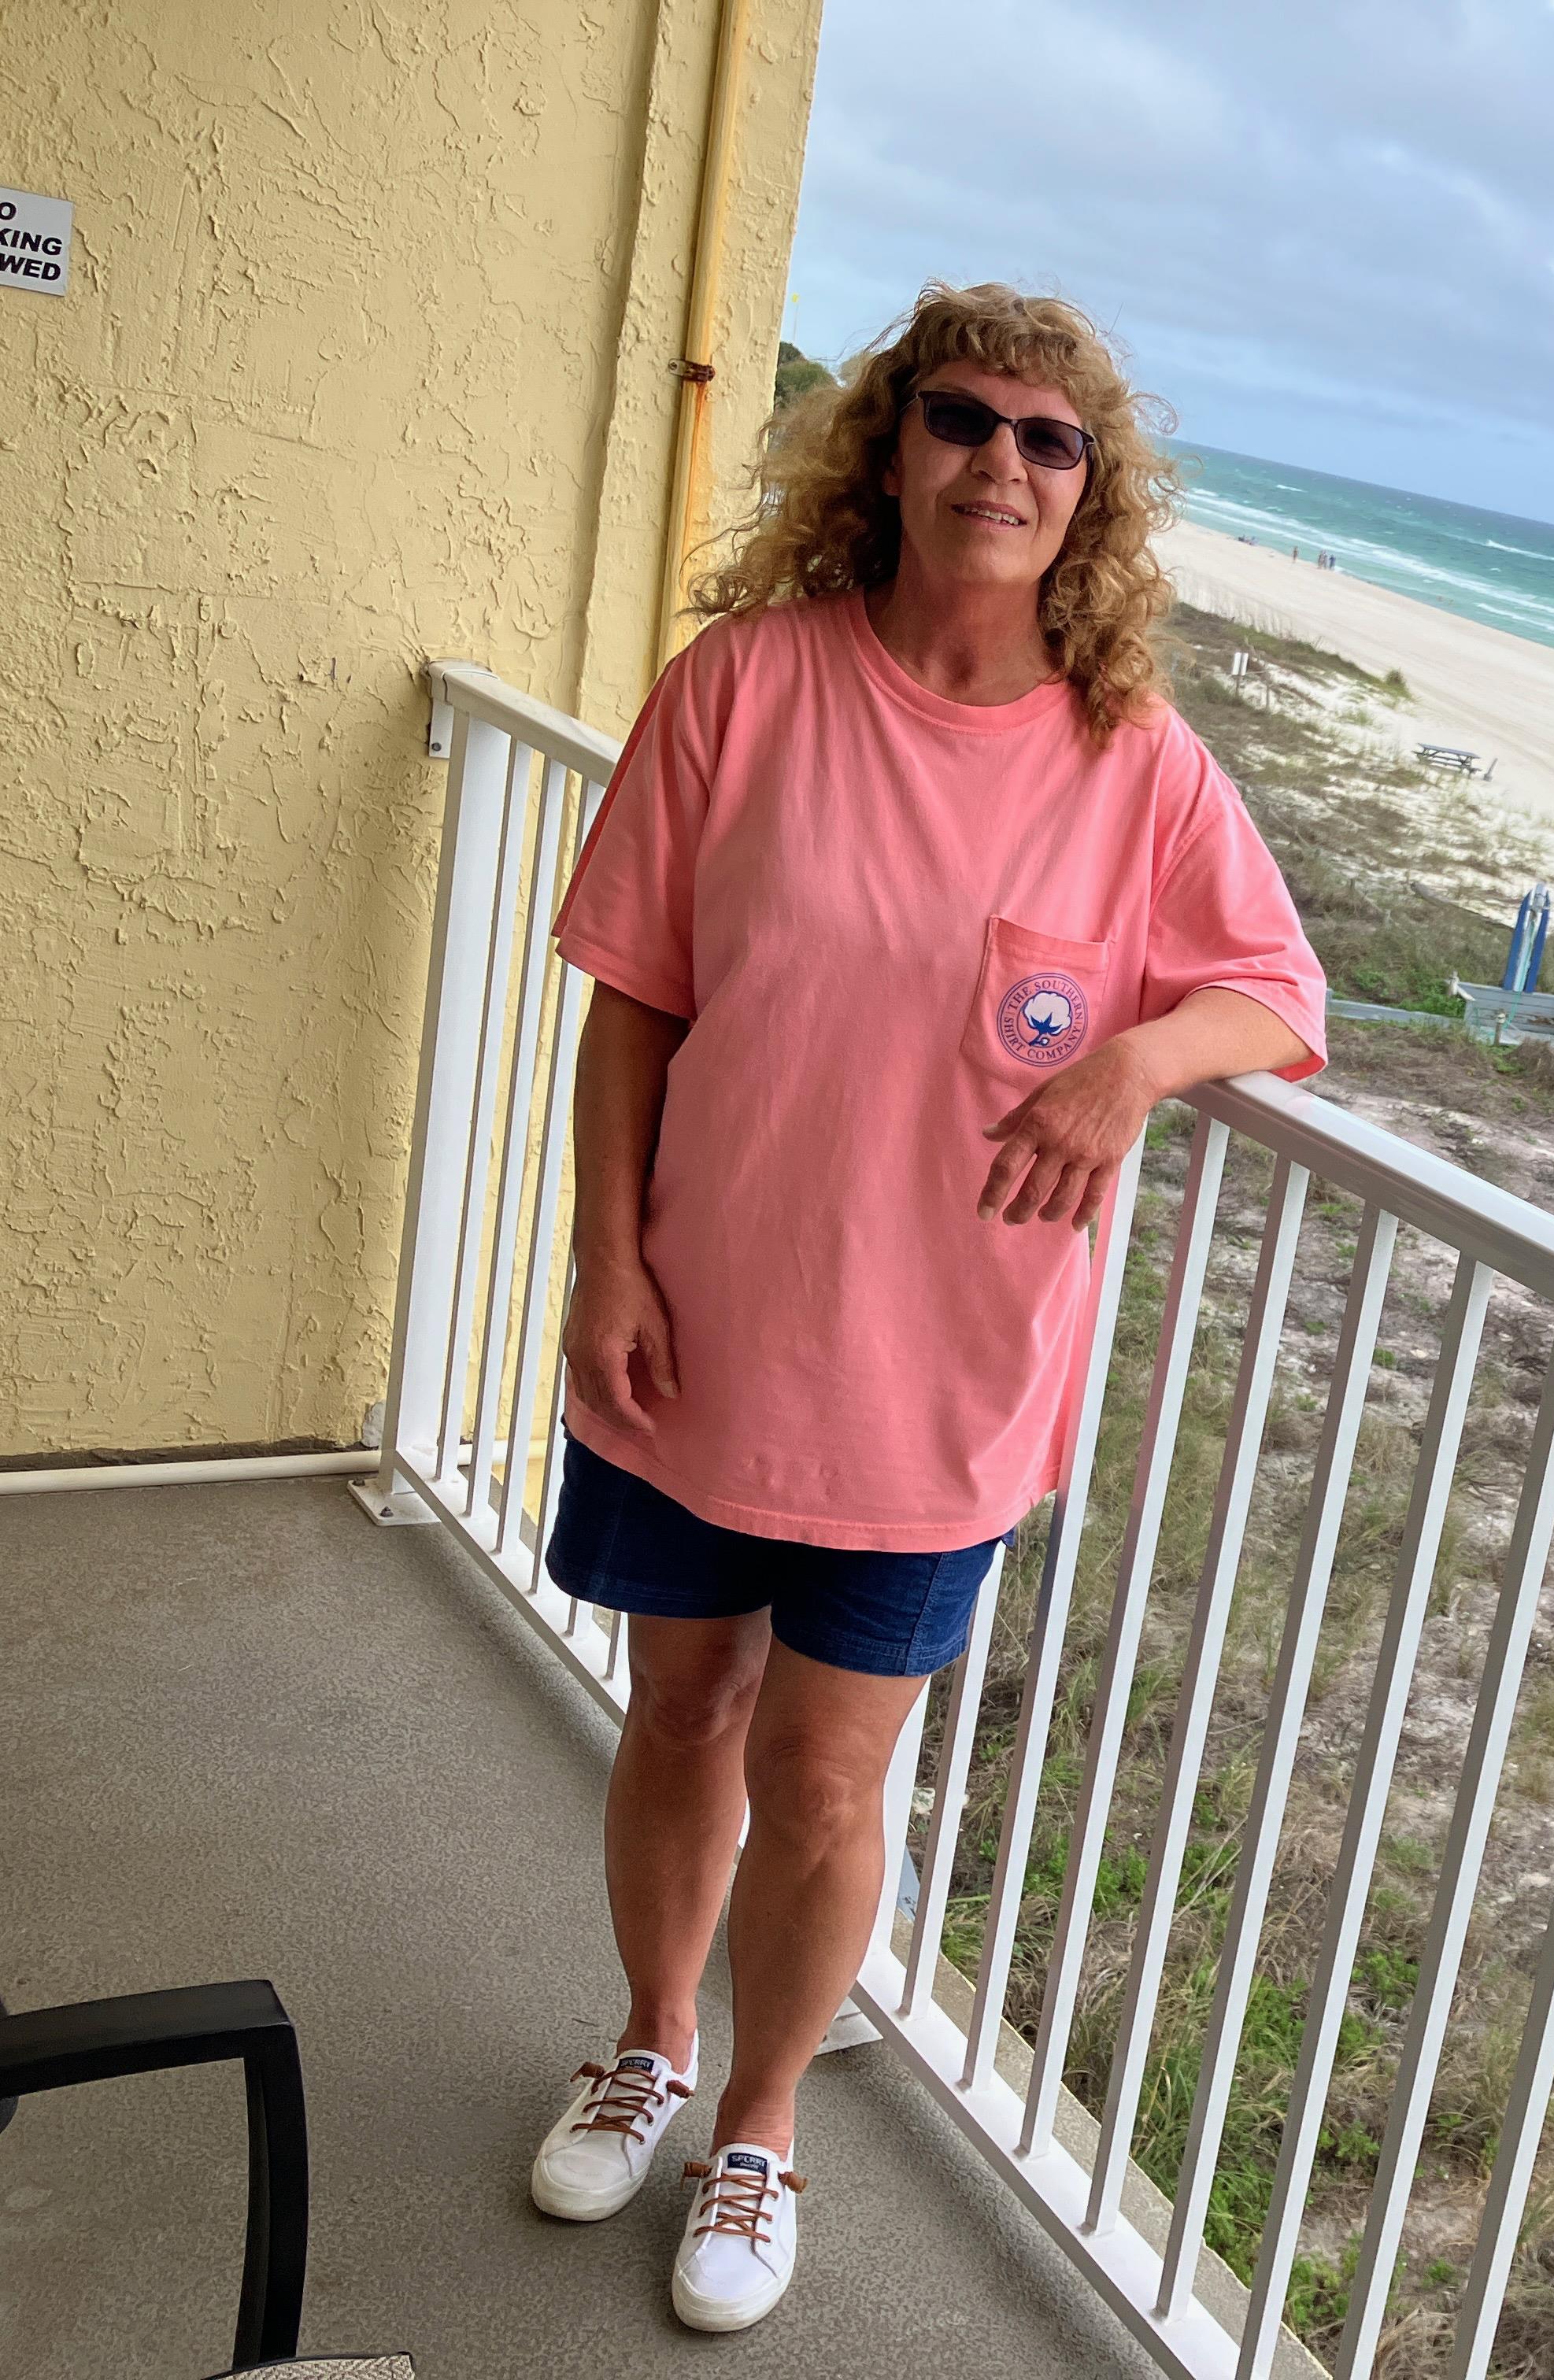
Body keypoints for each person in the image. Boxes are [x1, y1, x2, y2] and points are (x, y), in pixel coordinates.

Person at [523, 282, 1325, 2333]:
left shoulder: (1136, 765)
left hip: (939, 1389)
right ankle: (648, 2035)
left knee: (824, 1773)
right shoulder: (745, 693)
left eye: (1053, 441)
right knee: (683, 1712)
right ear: (888, 451)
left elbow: (1276, 992)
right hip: (694, 1330)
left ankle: (762, 2129)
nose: (1004, 463)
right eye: (963, 419)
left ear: (1090, 500)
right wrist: (608, 1256)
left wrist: (1138, 1060)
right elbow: (638, 1004)